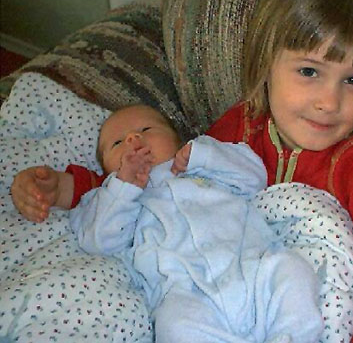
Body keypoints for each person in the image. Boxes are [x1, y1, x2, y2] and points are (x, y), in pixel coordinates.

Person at [12, 0, 353, 342]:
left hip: (315, 297)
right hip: (215, 288)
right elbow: (168, 183)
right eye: (309, 71)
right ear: (266, 64)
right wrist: (70, 187)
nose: (329, 102)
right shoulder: (244, 123)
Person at [71, 104, 323, 343]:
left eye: (146, 129)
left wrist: (204, 156)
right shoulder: (111, 199)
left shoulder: (205, 165)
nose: (133, 139)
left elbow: (255, 177)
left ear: (176, 140)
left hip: (251, 264)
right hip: (186, 291)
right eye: (117, 143)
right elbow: (99, 242)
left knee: (292, 269)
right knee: (174, 325)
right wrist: (123, 188)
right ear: (105, 169)